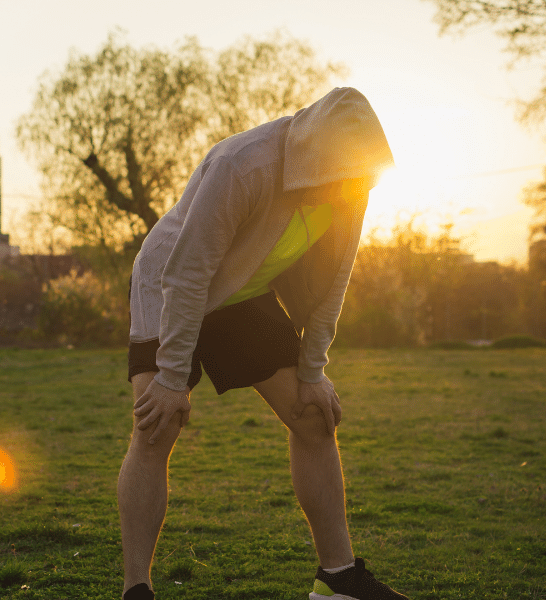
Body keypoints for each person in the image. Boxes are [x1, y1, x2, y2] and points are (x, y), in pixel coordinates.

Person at [118, 87, 408, 600]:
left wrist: (313, 371)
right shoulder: (244, 165)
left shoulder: (353, 186)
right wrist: (169, 379)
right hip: (171, 280)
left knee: (313, 413)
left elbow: (335, 279)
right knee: (157, 424)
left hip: (242, 290)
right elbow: (187, 275)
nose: (356, 187)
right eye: (347, 174)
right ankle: (136, 588)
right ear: (318, 158)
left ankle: (337, 580)